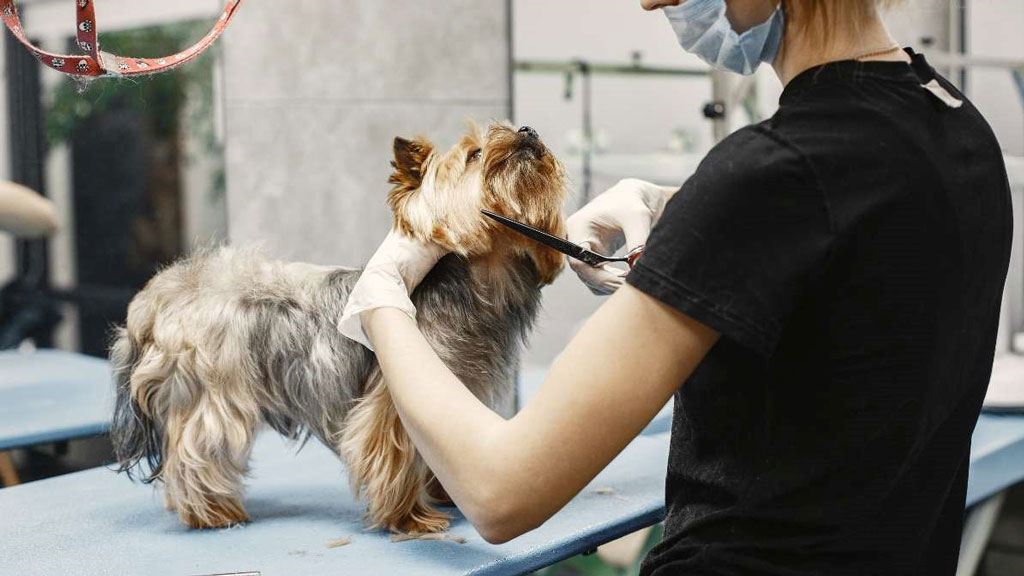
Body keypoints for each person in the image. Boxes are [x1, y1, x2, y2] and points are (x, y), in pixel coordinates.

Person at [338, 0, 1013, 573]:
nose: (649, 1)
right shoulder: (956, 127)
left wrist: (382, 300)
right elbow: (846, 227)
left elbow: (498, 490)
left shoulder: (771, 175)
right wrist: (676, 210)